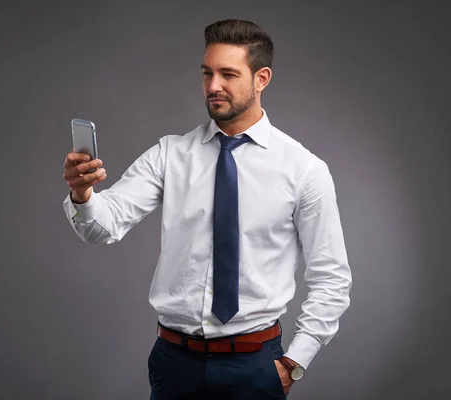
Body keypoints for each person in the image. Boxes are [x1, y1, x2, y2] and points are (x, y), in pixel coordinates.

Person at [62, 19, 352, 400]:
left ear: (261, 78)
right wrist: (82, 194)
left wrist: (295, 361)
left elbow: (332, 278)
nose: (213, 86)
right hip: (174, 363)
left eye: (228, 74)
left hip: (255, 365)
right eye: (207, 73)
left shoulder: (304, 170)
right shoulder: (170, 154)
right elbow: (104, 226)